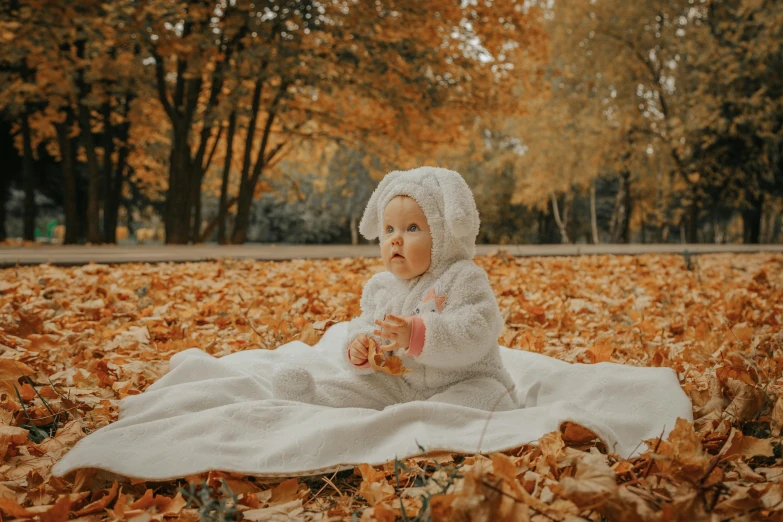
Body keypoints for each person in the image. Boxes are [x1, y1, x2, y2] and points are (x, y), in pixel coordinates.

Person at [272, 166, 517, 411]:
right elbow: (368, 323)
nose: (395, 239)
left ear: (445, 235)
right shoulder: (382, 287)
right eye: (389, 229)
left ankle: (430, 419)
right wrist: (362, 346)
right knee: (363, 386)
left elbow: (476, 330)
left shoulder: (464, 277)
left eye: (412, 228)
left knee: (488, 397)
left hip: (463, 380)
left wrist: (418, 334)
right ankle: (316, 399)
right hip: (402, 383)